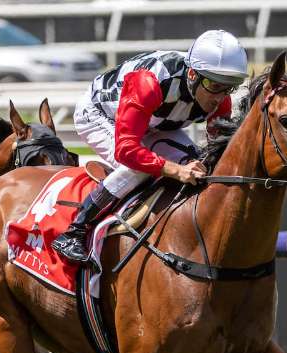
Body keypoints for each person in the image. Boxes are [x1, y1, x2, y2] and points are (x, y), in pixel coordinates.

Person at [52, 29, 247, 263]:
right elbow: (126, 150)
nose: (220, 97)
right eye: (214, 86)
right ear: (192, 74)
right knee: (140, 168)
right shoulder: (148, 82)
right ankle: (74, 231)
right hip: (100, 114)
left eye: (229, 87)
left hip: (153, 122)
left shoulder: (219, 98)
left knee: (197, 164)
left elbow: (218, 155)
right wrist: (175, 169)